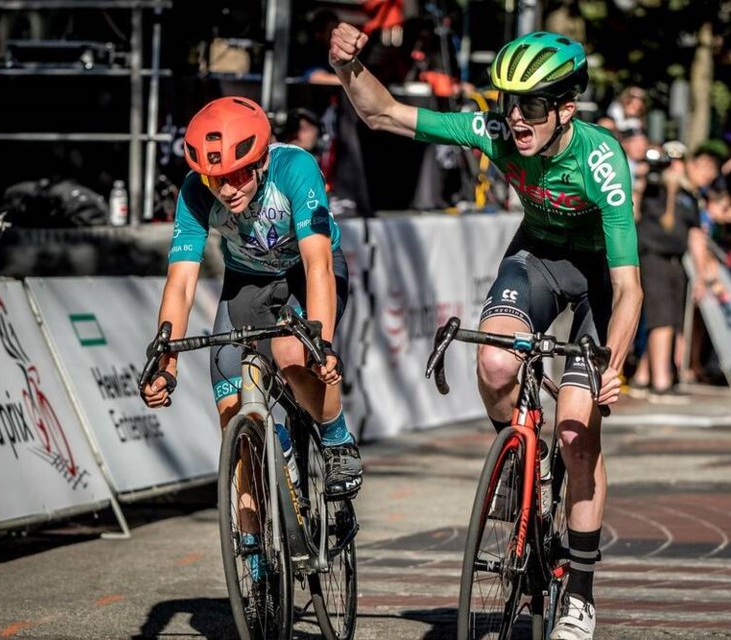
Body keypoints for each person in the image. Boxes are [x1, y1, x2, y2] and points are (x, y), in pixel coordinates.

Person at [330, 24, 642, 639]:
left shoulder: (600, 159)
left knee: (578, 430)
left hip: (602, 280)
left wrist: (614, 366)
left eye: (531, 105)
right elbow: (384, 113)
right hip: (538, 260)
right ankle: (520, 460)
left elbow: (630, 288)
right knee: (497, 364)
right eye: (507, 101)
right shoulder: (497, 133)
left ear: (566, 108)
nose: (515, 118)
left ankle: (578, 590)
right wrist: (349, 66)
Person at [141, 96, 363, 499]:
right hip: (246, 283)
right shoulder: (195, 191)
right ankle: (251, 549)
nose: (226, 189)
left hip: (304, 272)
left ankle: (336, 439)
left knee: (290, 354)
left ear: (260, 160)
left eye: (237, 174)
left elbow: (318, 265)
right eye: (215, 179)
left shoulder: (295, 168)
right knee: (233, 425)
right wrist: (166, 361)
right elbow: (181, 283)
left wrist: (322, 343)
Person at [628, 148, 717, 402]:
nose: (674, 167)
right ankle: (661, 383)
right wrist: (645, 174)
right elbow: (632, 205)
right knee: (662, 320)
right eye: (671, 162)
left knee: (669, 321)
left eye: (679, 162)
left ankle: (643, 378)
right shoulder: (651, 189)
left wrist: (700, 275)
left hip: (676, 261)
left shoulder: (689, 196)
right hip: (651, 257)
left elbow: (696, 236)